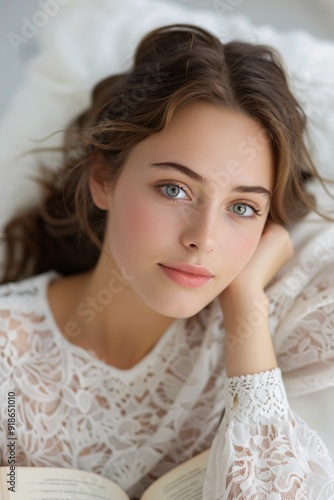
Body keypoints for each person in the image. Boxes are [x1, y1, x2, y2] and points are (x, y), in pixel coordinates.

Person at [0, 24, 333, 499]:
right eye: (174, 190)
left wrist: (245, 304)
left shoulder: (275, 316)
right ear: (102, 179)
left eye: (242, 208)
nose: (203, 239)